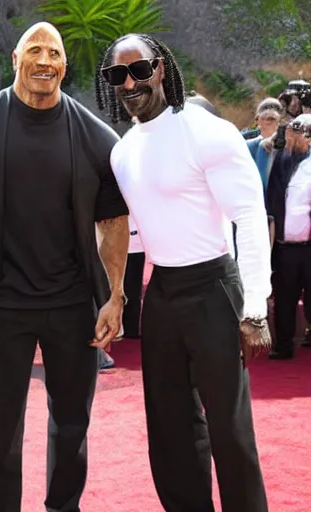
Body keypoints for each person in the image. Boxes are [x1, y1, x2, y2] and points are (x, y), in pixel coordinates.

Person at [0, 22, 129, 512]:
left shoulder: (95, 135)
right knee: (0, 430)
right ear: (15, 58)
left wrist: (114, 295)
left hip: (73, 304)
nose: (45, 61)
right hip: (2, 303)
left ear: (64, 65)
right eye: (35, 50)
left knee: (72, 424)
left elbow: (113, 220)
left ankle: (63, 507)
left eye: (54, 52)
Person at [96, 33, 272, 512]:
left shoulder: (205, 130)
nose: (129, 82)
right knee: (170, 427)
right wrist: (116, 296)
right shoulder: (123, 151)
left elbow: (250, 216)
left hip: (215, 286)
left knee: (229, 428)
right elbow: (125, 231)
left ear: (160, 68)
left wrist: (255, 307)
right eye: (117, 74)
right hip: (163, 292)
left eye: (139, 69)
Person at [266, 114, 311, 358]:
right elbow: (272, 202)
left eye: (300, 133)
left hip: (309, 246)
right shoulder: (281, 161)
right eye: (292, 133)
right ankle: (283, 345)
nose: (294, 137)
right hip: (285, 247)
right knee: (284, 297)